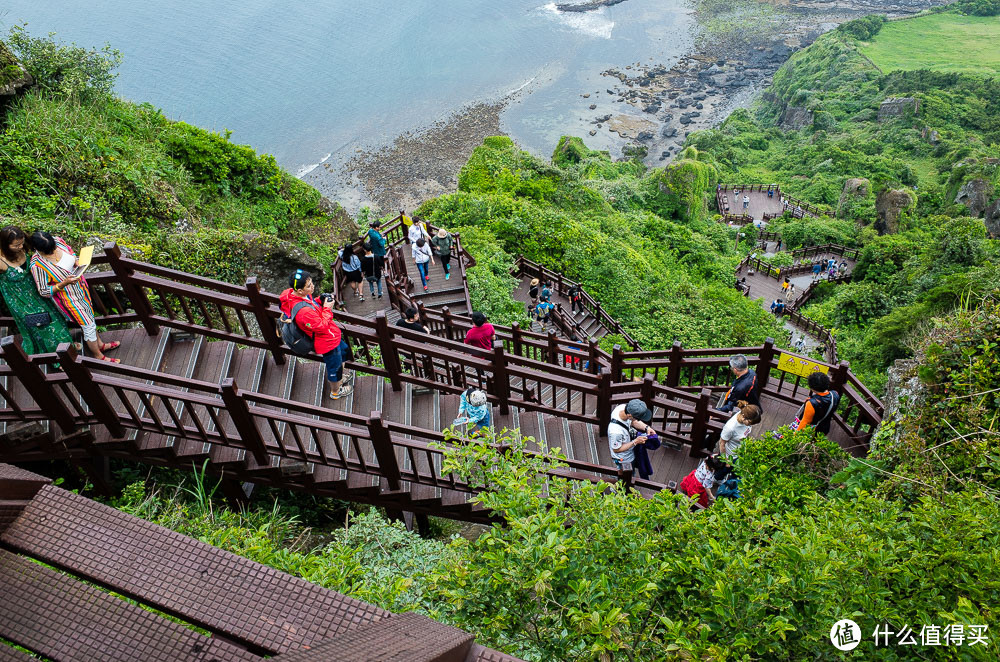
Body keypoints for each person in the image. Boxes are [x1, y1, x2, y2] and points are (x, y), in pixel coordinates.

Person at [28, 231, 120, 363]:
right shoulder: (37, 265)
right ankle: (98, 355)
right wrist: (64, 283)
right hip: (69, 299)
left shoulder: (58, 241)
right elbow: (44, 291)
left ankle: (100, 345)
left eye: (53, 248)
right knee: (87, 325)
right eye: (49, 251)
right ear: (37, 249)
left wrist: (76, 260)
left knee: (90, 318)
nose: (53, 252)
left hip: (81, 288)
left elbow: (71, 252)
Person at [279, 269, 353, 399]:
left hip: (332, 336)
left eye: (311, 282)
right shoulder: (304, 312)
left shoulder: (298, 295)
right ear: (300, 290)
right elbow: (321, 326)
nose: (312, 286)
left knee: (343, 352)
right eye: (309, 285)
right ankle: (336, 391)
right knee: (334, 369)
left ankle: (340, 378)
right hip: (326, 342)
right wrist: (327, 308)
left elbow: (312, 305)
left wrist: (320, 300)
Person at [0, 227, 73, 355]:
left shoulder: (25, 247)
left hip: (38, 291)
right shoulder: (1, 260)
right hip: (19, 299)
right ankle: (56, 356)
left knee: (55, 319)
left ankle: (67, 347)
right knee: (40, 325)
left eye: (21, 243)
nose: (20, 246)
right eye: (16, 245)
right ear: (5, 245)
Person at [607, 398, 654, 471]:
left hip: (630, 449)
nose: (638, 420)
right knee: (625, 472)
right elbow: (616, 449)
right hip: (623, 458)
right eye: (638, 418)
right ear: (629, 415)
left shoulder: (622, 407)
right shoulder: (615, 431)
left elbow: (633, 422)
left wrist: (646, 428)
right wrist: (635, 442)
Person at [795, 371, 841, 435]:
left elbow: (805, 422)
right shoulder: (835, 394)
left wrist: (795, 435)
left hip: (811, 431)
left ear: (812, 388)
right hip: (824, 428)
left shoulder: (811, 403)